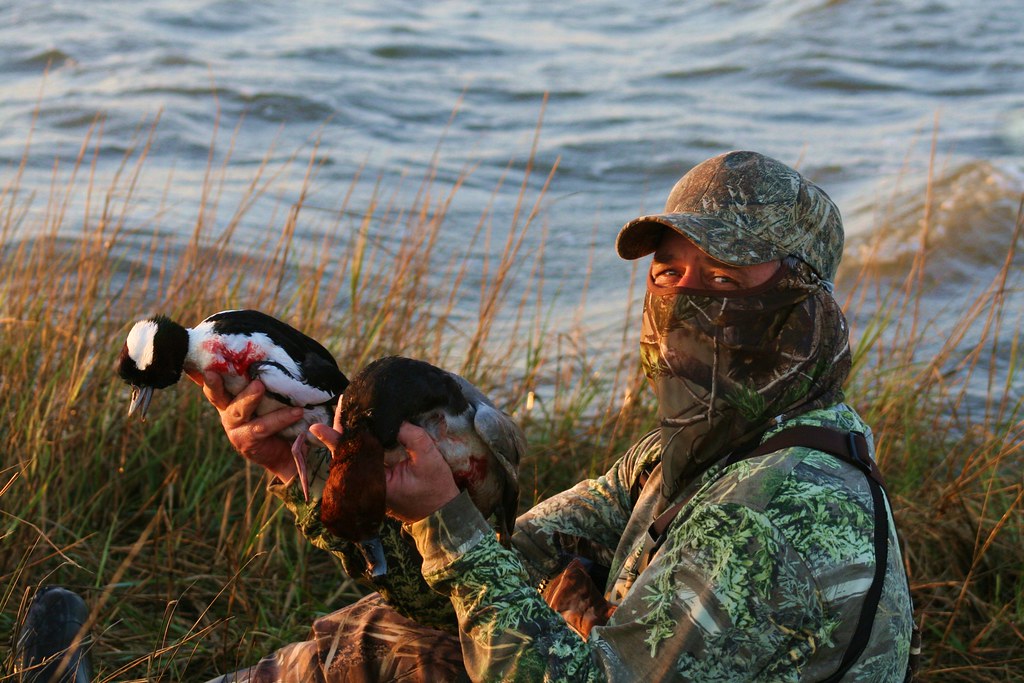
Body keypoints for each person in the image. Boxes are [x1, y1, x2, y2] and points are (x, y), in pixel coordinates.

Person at [14, 151, 917, 681]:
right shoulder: (679, 460)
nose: (682, 293)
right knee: (409, 632)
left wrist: (449, 519)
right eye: (669, 269)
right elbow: (465, 579)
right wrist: (336, 479)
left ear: (801, 297)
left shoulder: (786, 512)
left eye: (724, 274)